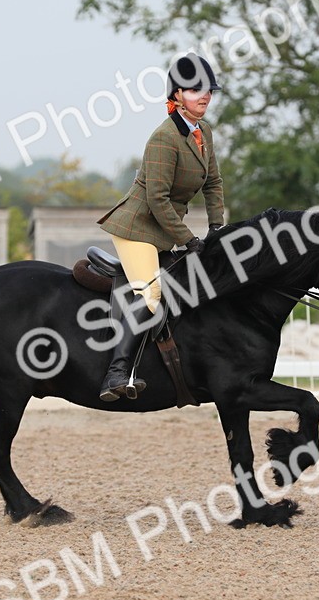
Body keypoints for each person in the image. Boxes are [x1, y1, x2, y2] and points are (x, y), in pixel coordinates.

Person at [95, 53, 226, 402]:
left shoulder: (204, 132)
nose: (205, 96)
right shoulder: (164, 139)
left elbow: (213, 183)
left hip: (164, 229)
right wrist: (188, 239)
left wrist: (216, 229)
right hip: (137, 226)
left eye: (209, 90)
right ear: (178, 94)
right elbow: (156, 199)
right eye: (196, 89)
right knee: (151, 295)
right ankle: (116, 373)